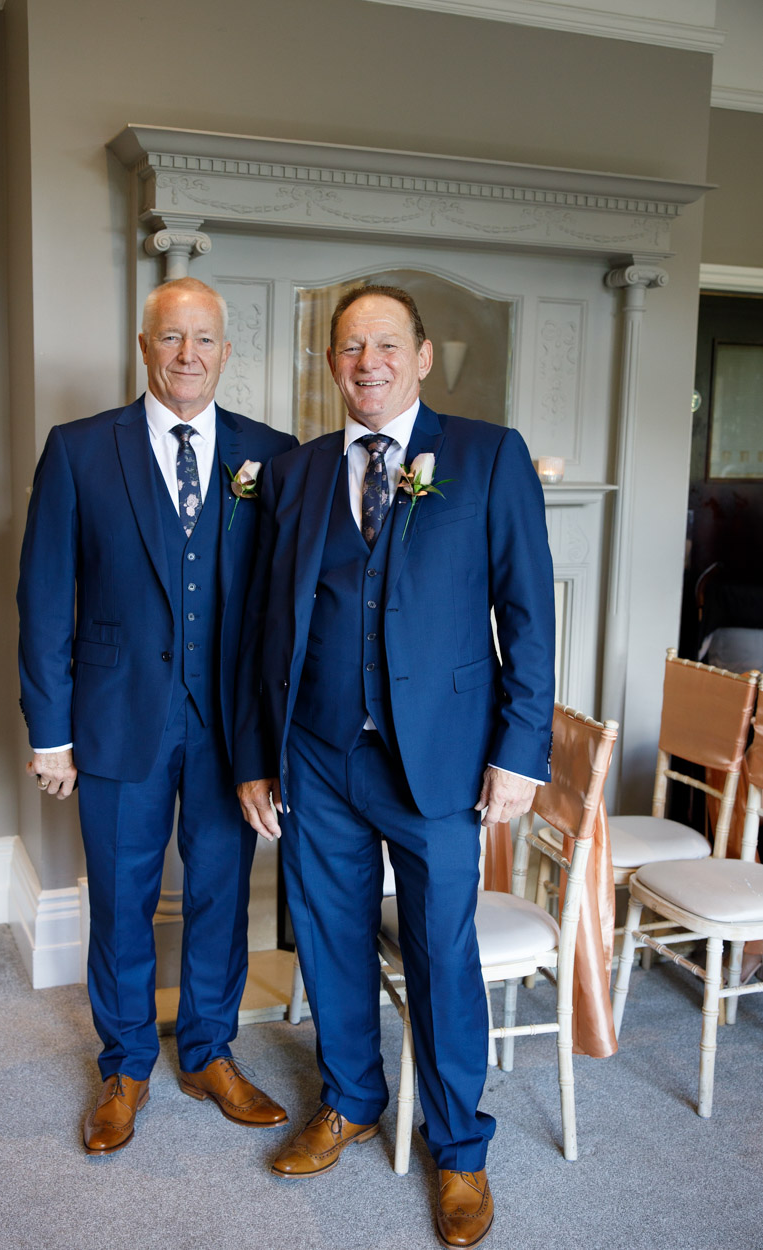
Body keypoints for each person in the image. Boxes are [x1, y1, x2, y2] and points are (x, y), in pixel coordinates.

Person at [235, 286, 555, 1247]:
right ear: (329, 364)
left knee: (439, 955)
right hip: (317, 755)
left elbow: (528, 613)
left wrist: (519, 749)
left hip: (444, 761)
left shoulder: (487, 456)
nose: (365, 361)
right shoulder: (292, 476)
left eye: (384, 344)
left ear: (420, 356)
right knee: (330, 939)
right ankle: (350, 1099)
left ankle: (459, 1151)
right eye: (347, 347)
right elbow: (263, 629)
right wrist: (256, 757)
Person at [17, 277, 296, 1155]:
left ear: (223, 350)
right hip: (113, 718)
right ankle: (127, 1063)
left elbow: (288, 603)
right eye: (171, 339)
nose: (187, 356)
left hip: (230, 729)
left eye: (204, 339)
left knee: (221, 895)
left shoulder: (272, 453)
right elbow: (43, 599)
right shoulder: (77, 449)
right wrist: (50, 730)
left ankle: (209, 1050)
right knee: (124, 899)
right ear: (145, 348)